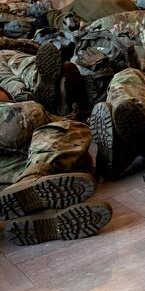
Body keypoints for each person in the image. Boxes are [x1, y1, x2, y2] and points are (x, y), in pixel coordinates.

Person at [0, 99, 112, 246]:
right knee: (66, 133)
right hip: (45, 153)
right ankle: (43, 209)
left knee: (56, 134)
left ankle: (34, 190)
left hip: (32, 138)